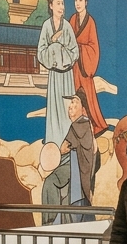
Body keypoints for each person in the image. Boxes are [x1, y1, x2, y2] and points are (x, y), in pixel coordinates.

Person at [40, 89, 98, 223]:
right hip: (77, 167)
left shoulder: (79, 125)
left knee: (50, 182)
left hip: (77, 168)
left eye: (74, 102)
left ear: (83, 109)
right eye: (70, 103)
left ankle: (50, 220)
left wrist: (54, 154)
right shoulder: (86, 125)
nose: (70, 106)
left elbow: (63, 148)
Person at [37, 0, 80, 146]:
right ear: (51, 5)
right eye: (58, 3)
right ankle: (54, 140)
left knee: (67, 108)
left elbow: (75, 51)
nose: (62, 7)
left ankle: (68, 141)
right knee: (54, 109)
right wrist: (53, 46)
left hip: (67, 75)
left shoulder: (67, 27)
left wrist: (60, 46)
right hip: (55, 75)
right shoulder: (46, 26)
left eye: (63, 3)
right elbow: (41, 52)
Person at [68, 0, 107, 136]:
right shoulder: (72, 19)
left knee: (88, 99)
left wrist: (80, 49)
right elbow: (68, 39)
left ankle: (94, 125)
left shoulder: (90, 22)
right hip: (74, 66)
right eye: (75, 0)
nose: (77, 3)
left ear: (86, 2)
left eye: (80, 0)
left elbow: (94, 47)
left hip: (85, 65)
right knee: (74, 96)